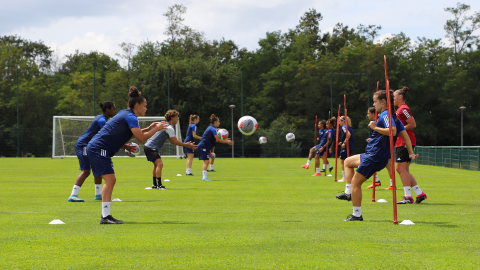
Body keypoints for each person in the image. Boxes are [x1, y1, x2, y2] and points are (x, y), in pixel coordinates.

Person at [87, 86, 168, 224]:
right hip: (98, 148)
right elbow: (141, 138)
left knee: (111, 180)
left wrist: (149, 128)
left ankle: (106, 216)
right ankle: (105, 217)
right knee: (111, 180)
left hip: (98, 147)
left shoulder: (126, 113)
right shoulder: (131, 116)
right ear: (137, 105)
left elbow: (131, 135)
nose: (146, 108)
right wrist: (156, 129)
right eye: (145, 106)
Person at [338, 90, 412, 221]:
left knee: (356, 183)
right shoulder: (393, 115)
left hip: (374, 156)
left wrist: (374, 127)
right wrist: (411, 153)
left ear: (383, 102)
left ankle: (356, 215)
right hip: (373, 154)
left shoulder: (385, 114)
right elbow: (405, 135)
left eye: (375, 101)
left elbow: (393, 131)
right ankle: (348, 193)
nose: (374, 104)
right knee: (348, 162)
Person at [68, 102, 133, 202]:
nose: (115, 112)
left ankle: (98, 195)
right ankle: (73, 195)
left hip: (89, 145)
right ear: (108, 110)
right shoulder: (102, 120)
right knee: (86, 171)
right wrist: (125, 147)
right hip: (84, 145)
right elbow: (109, 137)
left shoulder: (102, 118)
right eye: (114, 109)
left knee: (97, 169)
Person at [144, 110, 196, 189]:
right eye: (176, 117)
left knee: (156, 165)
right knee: (160, 164)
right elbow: (175, 142)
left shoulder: (166, 126)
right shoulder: (169, 128)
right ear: (172, 118)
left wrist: (186, 145)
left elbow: (173, 142)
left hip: (148, 146)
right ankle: (159, 185)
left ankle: (155, 184)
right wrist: (187, 144)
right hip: (151, 147)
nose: (177, 119)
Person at [394, 87, 426, 204]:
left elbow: (412, 124)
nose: (392, 99)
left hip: (405, 141)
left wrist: (398, 130)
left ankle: (408, 197)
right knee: (405, 170)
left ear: (400, 97)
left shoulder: (404, 109)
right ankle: (419, 193)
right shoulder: (399, 110)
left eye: (394, 96)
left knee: (400, 168)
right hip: (401, 141)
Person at [197, 114, 233, 181]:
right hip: (203, 146)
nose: (219, 123)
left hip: (205, 147)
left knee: (206, 161)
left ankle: (204, 177)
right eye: (218, 122)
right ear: (215, 122)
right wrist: (226, 141)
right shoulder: (212, 129)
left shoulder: (212, 128)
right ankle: (204, 177)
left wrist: (225, 140)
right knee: (207, 161)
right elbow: (217, 139)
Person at [365, 107, 382, 188]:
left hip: (380, 147)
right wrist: (371, 139)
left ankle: (392, 183)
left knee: (389, 166)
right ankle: (376, 181)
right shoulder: (374, 122)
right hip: (377, 146)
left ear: (373, 113)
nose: (367, 115)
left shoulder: (377, 122)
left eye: (368, 113)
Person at [337, 116, 354, 182]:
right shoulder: (348, 127)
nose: (339, 123)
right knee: (348, 162)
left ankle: (345, 177)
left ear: (343, 121)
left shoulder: (344, 127)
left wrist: (344, 142)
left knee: (342, 161)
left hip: (347, 146)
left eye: (339, 121)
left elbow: (348, 134)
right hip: (350, 146)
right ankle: (351, 176)